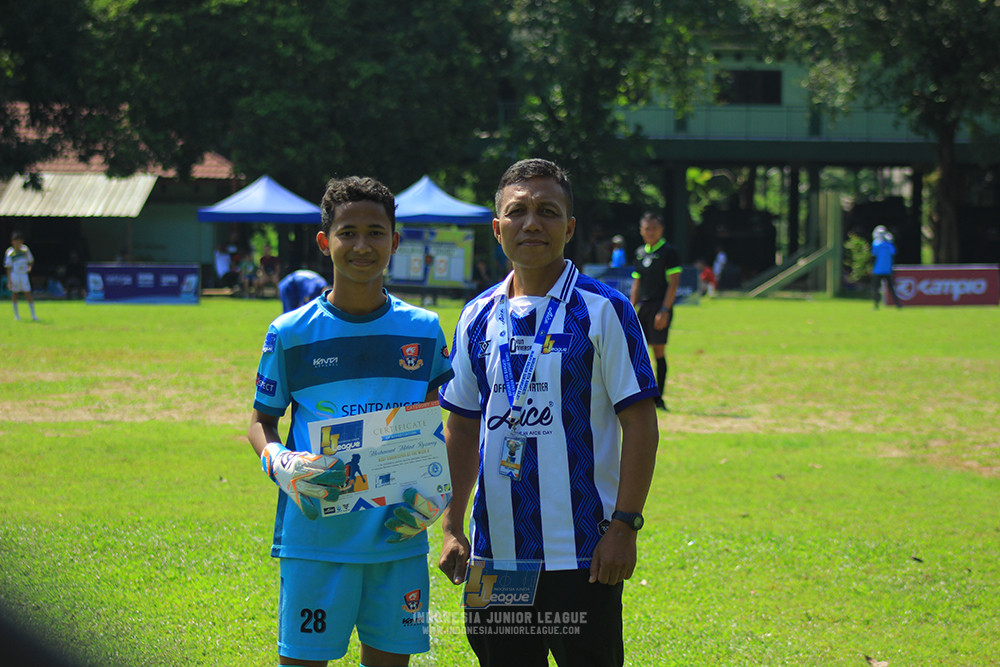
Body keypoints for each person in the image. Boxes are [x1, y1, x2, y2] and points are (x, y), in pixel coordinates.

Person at [438, 159, 659, 667]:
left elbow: (640, 423)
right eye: (517, 212)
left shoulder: (604, 309)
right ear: (497, 229)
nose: (531, 223)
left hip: (584, 552)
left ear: (569, 227)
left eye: (547, 211)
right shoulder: (476, 315)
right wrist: (452, 524)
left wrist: (624, 526)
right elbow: (462, 425)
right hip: (496, 554)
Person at [247, 176, 454, 666]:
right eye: (348, 232)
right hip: (316, 539)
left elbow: (438, 428)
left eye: (376, 232)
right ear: (325, 241)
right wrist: (280, 462)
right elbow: (261, 421)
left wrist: (438, 497)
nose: (362, 245)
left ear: (395, 242)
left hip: (398, 538)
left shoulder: (424, 331)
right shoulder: (290, 332)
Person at [629, 212, 681, 411]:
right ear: (642, 231)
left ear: (661, 230)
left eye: (654, 228)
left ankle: (659, 397)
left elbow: (673, 283)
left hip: (660, 306)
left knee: (658, 350)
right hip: (644, 307)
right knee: (638, 351)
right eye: (647, 228)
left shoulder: (669, 252)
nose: (650, 232)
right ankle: (641, 393)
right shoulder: (640, 252)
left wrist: (665, 310)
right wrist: (631, 307)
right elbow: (637, 283)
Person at [5, 231, 38, 321]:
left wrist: (29, 268)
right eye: (16, 241)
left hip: (23, 275)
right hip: (15, 275)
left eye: (19, 241)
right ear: (12, 242)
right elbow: (8, 267)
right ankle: (16, 315)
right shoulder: (10, 253)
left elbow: (31, 260)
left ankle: (33, 315)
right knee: (15, 294)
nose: (18, 243)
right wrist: (9, 280)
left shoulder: (25, 250)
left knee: (28, 293)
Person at [871, 225, 902, 309]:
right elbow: (893, 254)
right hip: (887, 270)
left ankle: (876, 304)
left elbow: (873, 256)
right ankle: (897, 304)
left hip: (878, 270)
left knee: (876, 288)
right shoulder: (889, 245)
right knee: (891, 288)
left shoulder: (876, 244)